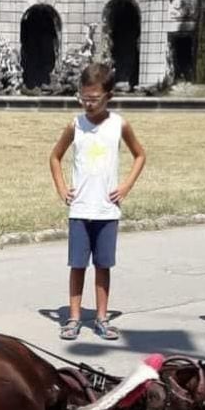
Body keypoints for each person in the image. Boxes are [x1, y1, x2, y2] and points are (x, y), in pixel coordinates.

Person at [49, 62, 146, 341]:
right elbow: (55, 156)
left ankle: (102, 318)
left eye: (94, 99)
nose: (88, 104)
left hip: (107, 210)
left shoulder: (119, 125)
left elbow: (140, 155)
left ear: (109, 96)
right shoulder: (75, 126)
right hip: (80, 209)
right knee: (77, 265)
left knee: (103, 266)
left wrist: (125, 186)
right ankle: (74, 318)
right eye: (84, 98)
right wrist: (61, 188)